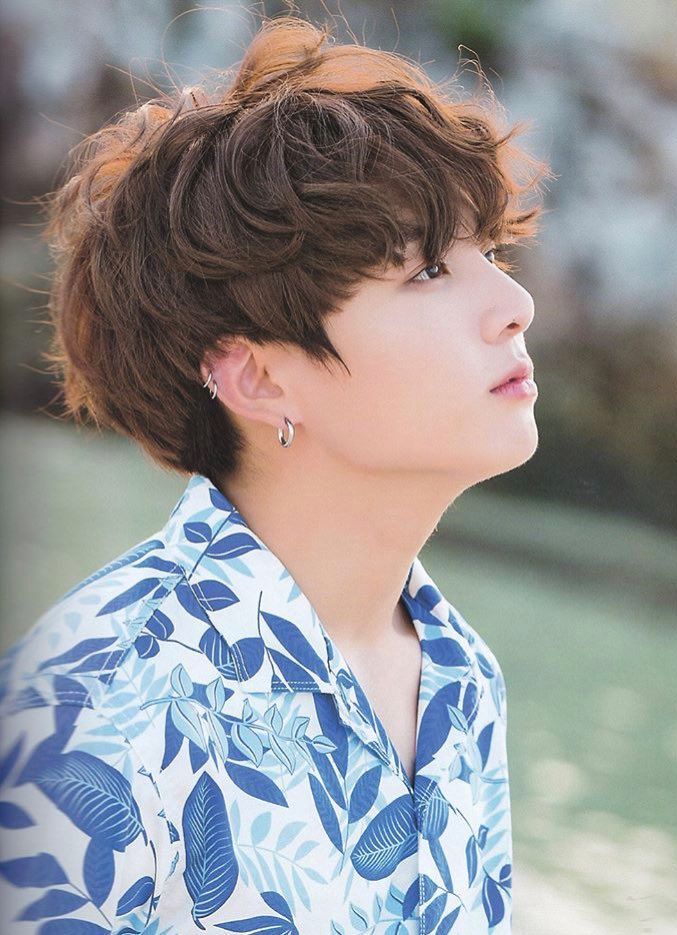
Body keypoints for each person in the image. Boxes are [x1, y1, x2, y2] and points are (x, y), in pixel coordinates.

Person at [0, 12, 551, 934]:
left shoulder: (459, 677)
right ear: (257, 376)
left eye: (488, 253)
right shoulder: (85, 711)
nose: (515, 303)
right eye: (425, 270)